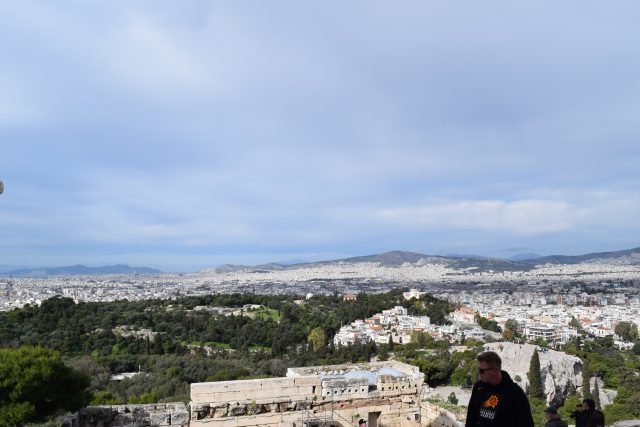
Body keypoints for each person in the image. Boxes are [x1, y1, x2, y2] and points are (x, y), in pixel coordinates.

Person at [465, 350, 534, 427]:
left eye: (481, 370)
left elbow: (526, 423)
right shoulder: (479, 387)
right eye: (478, 369)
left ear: (494, 371)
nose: (479, 373)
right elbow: (471, 416)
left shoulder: (515, 392)